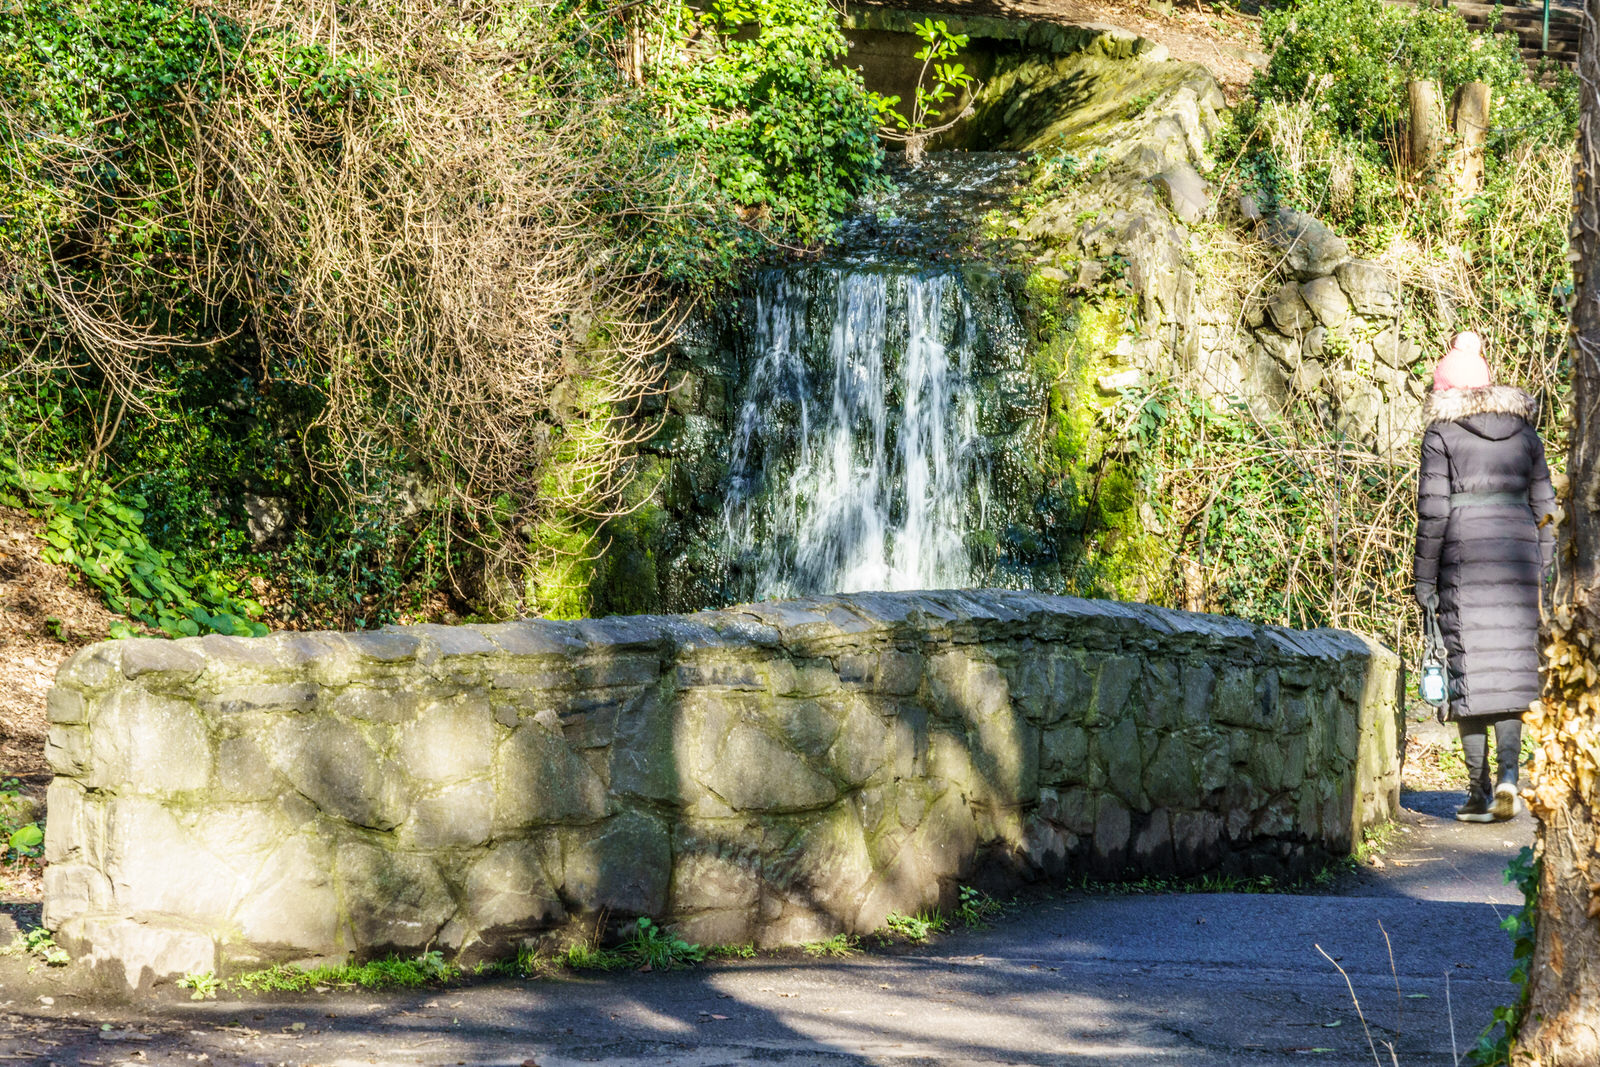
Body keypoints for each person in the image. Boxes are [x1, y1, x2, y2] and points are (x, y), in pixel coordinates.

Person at [1414, 330, 1555, 822]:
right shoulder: (1526, 433)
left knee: (1468, 674)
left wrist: (1424, 580)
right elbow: (1545, 511)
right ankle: (1509, 781)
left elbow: (1432, 513)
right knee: (1512, 675)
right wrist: (1548, 570)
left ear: (1446, 390)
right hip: (1521, 562)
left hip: (1463, 558)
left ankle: (1476, 794)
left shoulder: (1441, 435)